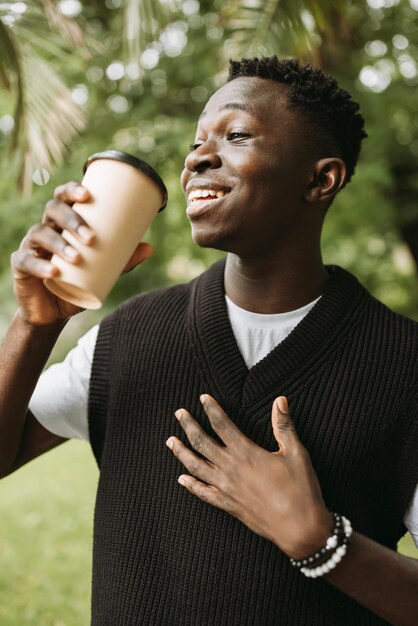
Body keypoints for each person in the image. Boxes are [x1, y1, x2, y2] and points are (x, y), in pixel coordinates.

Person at [0, 56, 417, 625]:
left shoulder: (403, 366)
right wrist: (35, 326)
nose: (197, 156)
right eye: (198, 142)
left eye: (236, 134)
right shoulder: (126, 336)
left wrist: (320, 542)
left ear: (322, 179)